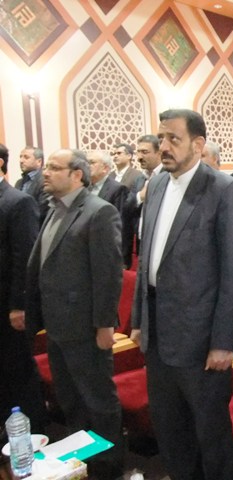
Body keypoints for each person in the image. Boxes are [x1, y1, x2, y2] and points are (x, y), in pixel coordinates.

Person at [130, 109, 233, 480]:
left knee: (210, 431)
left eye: (173, 139)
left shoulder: (224, 189)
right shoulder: (157, 184)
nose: (163, 146)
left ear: (198, 145)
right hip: (158, 333)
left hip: (200, 338)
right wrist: (139, 319)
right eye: (161, 138)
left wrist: (223, 342)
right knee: (169, 427)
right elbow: (147, 259)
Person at [25, 149, 124, 478]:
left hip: (85, 327)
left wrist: (104, 325)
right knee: (70, 399)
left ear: (77, 175)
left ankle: (108, 465)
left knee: (98, 400)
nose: (46, 172)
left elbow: (108, 275)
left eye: (55, 167)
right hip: (57, 325)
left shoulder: (99, 212)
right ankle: (82, 459)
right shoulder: (54, 208)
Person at [0, 144, 47, 434]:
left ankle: (33, 430)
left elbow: (25, 259)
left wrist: (19, 305)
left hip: (9, 304)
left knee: (16, 370)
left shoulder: (18, 201)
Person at [15, 146, 48, 224]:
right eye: (20, 157)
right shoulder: (19, 183)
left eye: (26, 157)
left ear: (39, 161)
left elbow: (42, 210)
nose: (21, 161)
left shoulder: (45, 181)